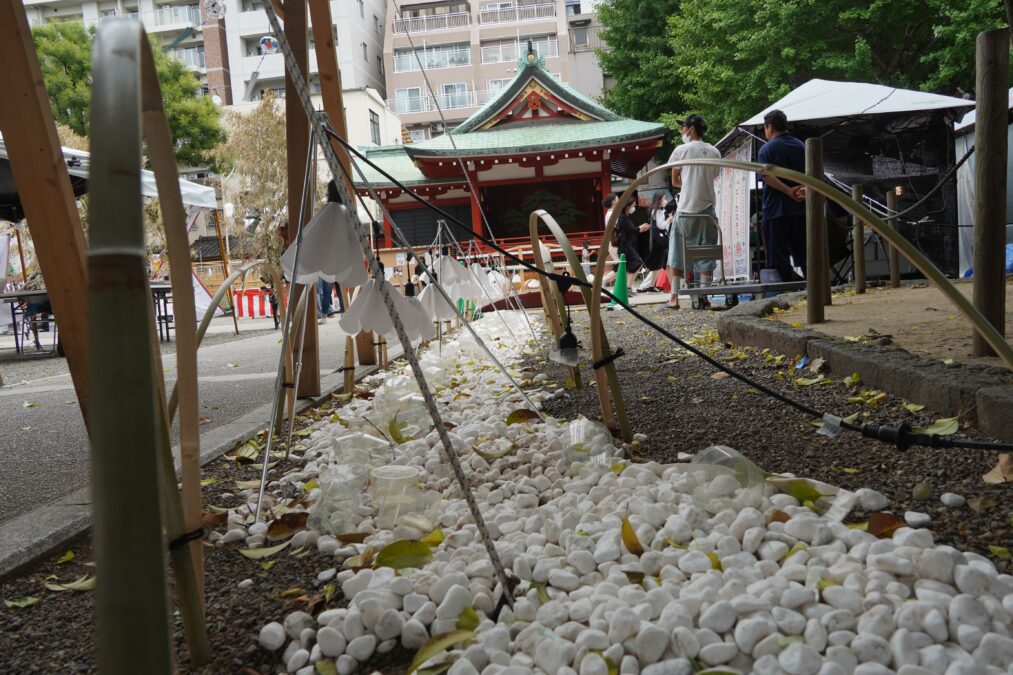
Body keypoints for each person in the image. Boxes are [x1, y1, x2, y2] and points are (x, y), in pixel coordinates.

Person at [667, 114, 721, 309]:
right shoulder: (715, 151)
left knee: (676, 255)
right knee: (706, 253)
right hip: (706, 211)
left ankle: (674, 298)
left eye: (682, 128)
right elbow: (713, 177)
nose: (681, 132)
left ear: (690, 129)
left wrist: (687, 182)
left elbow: (674, 180)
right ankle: (704, 296)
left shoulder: (681, 150)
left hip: (685, 211)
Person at [757, 109, 807, 282]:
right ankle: (813, 287)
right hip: (801, 209)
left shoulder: (767, 149)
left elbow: (766, 175)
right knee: (805, 255)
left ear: (769, 127)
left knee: (777, 258)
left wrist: (787, 191)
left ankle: (795, 286)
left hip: (775, 210)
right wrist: (801, 190)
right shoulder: (802, 146)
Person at [636, 192, 672, 292]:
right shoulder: (657, 211)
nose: (665, 200)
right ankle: (673, 287)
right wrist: (669, 219)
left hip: (658, 241)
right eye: (664, 198)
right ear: (659, 200)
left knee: (659, 264)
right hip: (661, 241)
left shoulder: (658, 210)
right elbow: (662, 225)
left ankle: (650, 286)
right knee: (665, 264)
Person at [614, 197, 650, 289]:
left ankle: (627, 287)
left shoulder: (625, 217)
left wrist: (640, 228)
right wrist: (640, 229)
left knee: (630, 265)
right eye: (633, 205)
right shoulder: (622, 217)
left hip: (627, 245)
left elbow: (631, 230)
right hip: (625, 245)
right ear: (627, 206)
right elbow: (630, 230)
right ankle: (627, 287)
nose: (634, 207)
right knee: (635, 263)